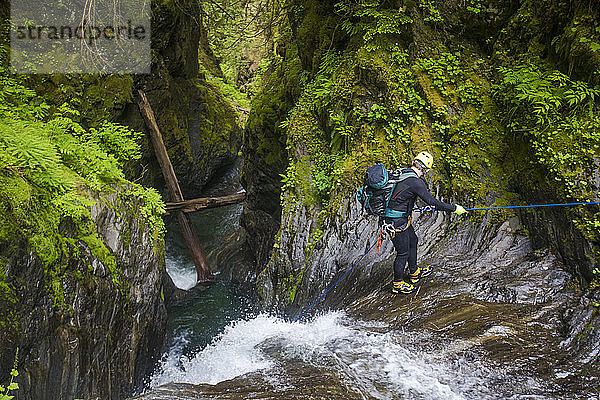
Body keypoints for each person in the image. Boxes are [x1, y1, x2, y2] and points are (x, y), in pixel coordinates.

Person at [382, 151, 467, 294]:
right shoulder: (416, 182)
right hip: (395, 221)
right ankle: (397, 283)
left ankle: (414, 272)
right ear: (426, 170)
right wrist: (454, 209)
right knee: (403, 252)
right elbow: (433, 202)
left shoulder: (403, 172)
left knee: (413, 240)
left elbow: (403, 195)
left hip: (399, 218)